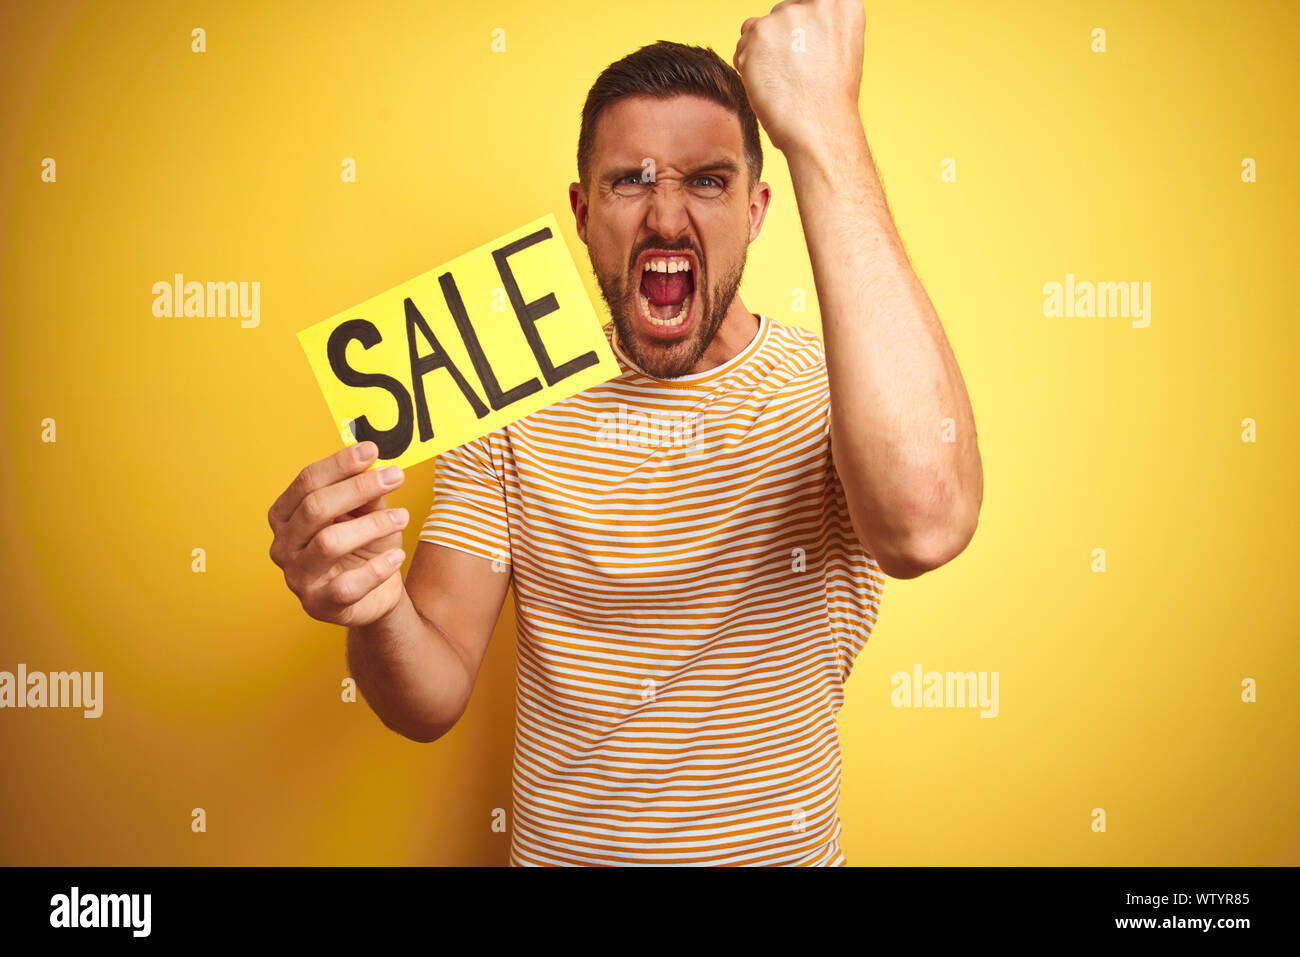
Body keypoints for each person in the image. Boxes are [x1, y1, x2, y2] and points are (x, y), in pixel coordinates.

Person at [268, 2, 981, 866]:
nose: (668, 219)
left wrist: (825, 119)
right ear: (582, 207)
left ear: (758, 210)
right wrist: (372, 607)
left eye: (708, 181)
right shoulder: (510, 399)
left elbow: (926, 521)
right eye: (631, 181)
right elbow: (429, 695)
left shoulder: (839, 390)